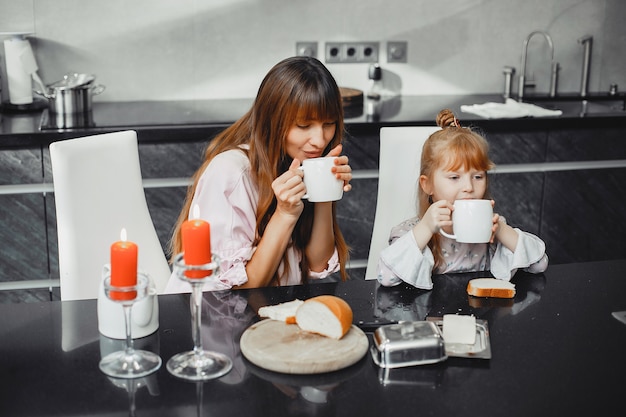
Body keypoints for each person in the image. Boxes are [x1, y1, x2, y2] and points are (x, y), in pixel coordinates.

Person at [165, 56, 352, 292]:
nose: (319, 140)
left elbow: (317, 263)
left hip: (271, 315)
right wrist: (285, 214)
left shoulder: (299, 163)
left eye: (329, 124)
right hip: (209, 317)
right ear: (273, 121)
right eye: (304, 126)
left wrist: (326, 190)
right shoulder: (231, 173)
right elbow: (239, 294)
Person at [377, 109, 548, 289]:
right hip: (430, 315)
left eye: (478, 177)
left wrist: (501, 231)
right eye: (454, 177)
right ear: (427, 185)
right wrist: (425, 228)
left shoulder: (493, 232)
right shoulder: (410, 232)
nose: (469, 187)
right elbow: (386, 277)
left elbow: (539, 264)